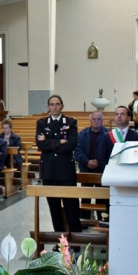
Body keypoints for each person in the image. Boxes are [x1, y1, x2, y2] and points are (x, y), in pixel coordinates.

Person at [37, 95, 82, 247]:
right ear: (48, 107)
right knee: (54, 208)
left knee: (71, 206)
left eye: (57, 104)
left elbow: (72, 144)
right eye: (51, 104)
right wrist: (59, 142)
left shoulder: (70, 122)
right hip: (49, 170)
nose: (54, 107)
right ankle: (61, 240)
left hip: (65, 170)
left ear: (62, 106)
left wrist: (49, 143)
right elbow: (40, 145)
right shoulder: (42, 123)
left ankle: (76, 239)